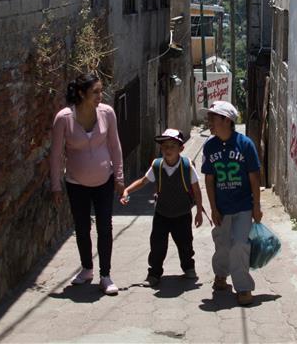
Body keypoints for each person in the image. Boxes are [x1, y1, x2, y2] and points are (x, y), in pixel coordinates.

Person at [50, 73, 125, 295]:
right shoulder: (64, 119)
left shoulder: (107, 113)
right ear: (81, 93)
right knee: (82, 227)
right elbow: (55, 156)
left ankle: (105, 275)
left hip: (104, 180)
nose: (100, 96)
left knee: (105, 227)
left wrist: (119, 178)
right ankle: (87, 269)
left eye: (101, 91)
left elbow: (115, 146)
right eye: (95, 92)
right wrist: (56, 186)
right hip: (76, 182)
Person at [121, 128, 207, 287]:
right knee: (157, 244)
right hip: (162, 213)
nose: (168, 149)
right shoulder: (157, 165)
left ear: (181, 149)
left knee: (185, 243)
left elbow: (196, 190)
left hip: (182, 213)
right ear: (161, 148)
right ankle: (154, 273)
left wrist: (199, 213)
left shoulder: (187, 166)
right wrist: (127, 190)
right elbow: (143, 181)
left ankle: (189, 267)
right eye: (165, 146)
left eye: (172, 146)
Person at [200, 100, 262, 306]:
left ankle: (243, 287)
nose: (209, 122)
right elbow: (209, 180)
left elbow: (254, 177)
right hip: (222, 208)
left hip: (243, 206)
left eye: (213, 118)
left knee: (239, 245)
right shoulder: (209, 146)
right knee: (222, 244)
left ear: (226, 120)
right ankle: (220, 276)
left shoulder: (245, 144)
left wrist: (256, 206)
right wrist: (213, 208)